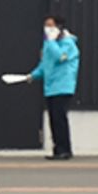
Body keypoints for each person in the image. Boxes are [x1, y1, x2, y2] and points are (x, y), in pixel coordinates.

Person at [27, 15, 80, 160]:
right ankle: (57, 149)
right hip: (50, 87)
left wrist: (50, 41)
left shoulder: (68, 44)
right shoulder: (49, 44)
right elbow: (45, 65)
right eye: (46, 26)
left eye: (51, 26)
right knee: (53, 119)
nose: (47, 29)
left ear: (59, 27)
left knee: (59, 118)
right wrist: (32, 75)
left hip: (63, 86)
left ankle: (65, 150)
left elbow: (60, 57)